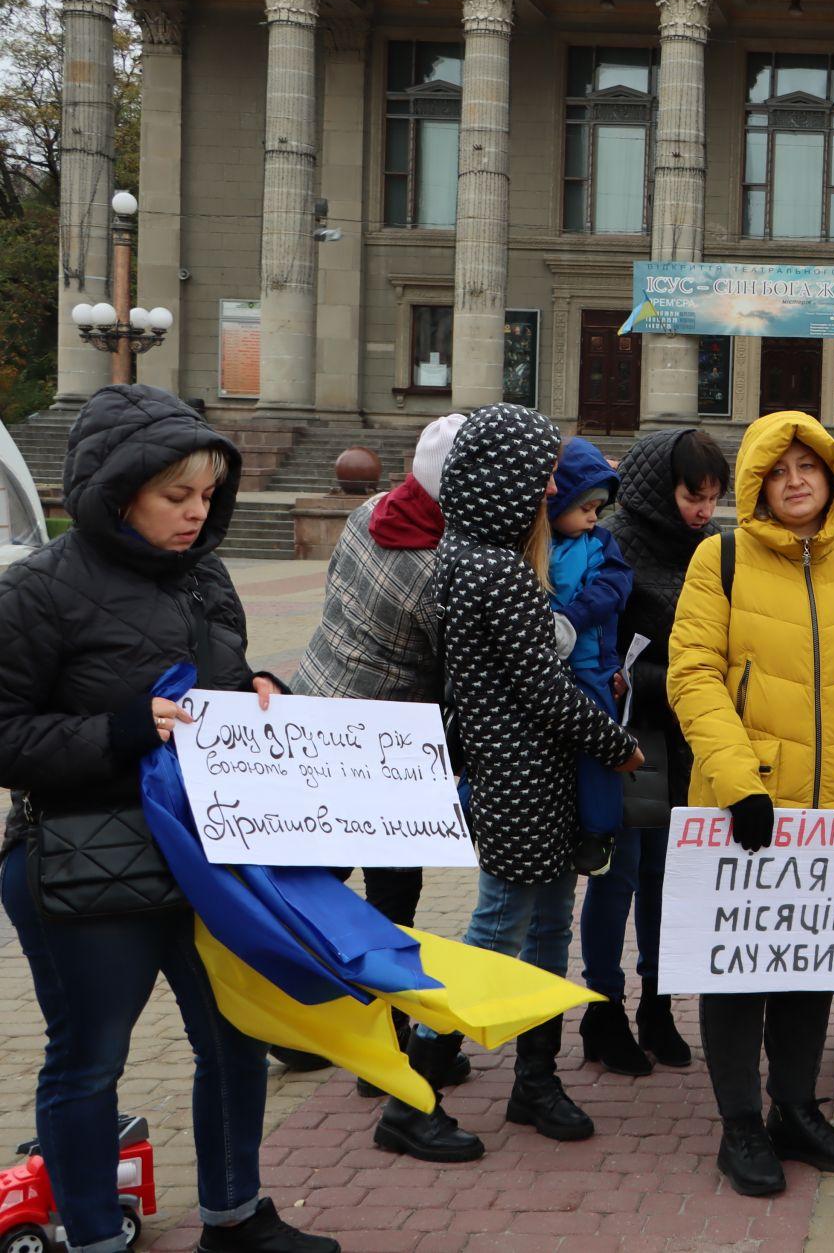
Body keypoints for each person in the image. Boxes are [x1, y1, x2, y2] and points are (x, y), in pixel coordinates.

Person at [0, 385, 339, 1253]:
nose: (198, 513)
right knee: (91, 1061)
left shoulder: (206, 574)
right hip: (85, 860)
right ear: (119, 491)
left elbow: (214, 686)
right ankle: (92, 1237)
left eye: (207, 496)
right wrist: (117, 731)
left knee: (234, 1035)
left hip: (210, 852)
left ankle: (235, 1215)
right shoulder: (36, 591)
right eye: (176, 496)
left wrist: (263, 690)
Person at [668, 411, 834, 1198]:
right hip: (745, 803)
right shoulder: (721, 560)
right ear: (756, 480)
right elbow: (694, 674)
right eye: (777, 468)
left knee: (812, 963)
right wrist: (740, 779)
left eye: (808, 465)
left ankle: (794, 1106)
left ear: (833, 472)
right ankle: (740, 1124)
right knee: (739, 966)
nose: (794, 480)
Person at [396, 405, 642, 1154]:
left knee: (544, 927)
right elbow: (543, 688)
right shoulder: (498, 567)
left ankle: (535, 1079)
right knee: (497, 933)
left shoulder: (467, 551)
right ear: (505, 481)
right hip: (520, 780)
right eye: (539, 479)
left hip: (533, 777)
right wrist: (616, 743)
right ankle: (411, 1096)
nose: (548, 492)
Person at [294, 415, 487, 1155]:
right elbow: (470, 659)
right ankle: (384, 1052)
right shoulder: (435, 568)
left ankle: (319, 1026)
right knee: (390, 897)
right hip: (379, 748)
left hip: (320, 712)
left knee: (320, 882)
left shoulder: (366, 512)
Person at [579, 427, 729, 1075]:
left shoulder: (712, 550)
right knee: (619, 876)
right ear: (655, 487)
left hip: (688, 739)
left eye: (713, 497)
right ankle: (601, 1006)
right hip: (630, 738)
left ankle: (658, 1004)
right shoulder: (610, 545)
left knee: (671, 877)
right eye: (693, 495)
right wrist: (672, 679)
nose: (704, 509)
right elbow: (599, 657)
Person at [545, 437, 634, 878]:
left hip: (590, 666)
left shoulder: (601, 543)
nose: (593, 517)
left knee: (598, 747)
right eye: (585, 507)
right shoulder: (534, 543)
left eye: (599, 507)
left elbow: (613, 587)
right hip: (542, 670)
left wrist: (573, 618)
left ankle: (599, 831)